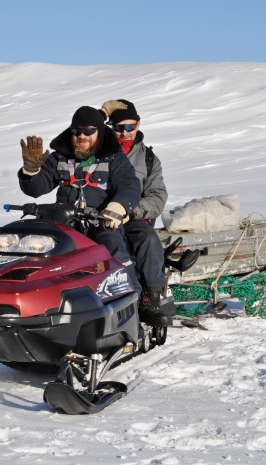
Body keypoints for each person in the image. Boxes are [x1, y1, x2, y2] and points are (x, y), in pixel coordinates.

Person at [18, 105, 142, 294]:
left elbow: (129, 185)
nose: (82, 136)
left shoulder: (113, 158)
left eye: (89, 131)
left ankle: (130, 301)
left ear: (99, 132)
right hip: (63, 225)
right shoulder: (59, 157)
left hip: (100, 223)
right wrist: (31, 171)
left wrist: (116, 208)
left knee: (113, 251)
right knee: (34, 253)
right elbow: (36, 189)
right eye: (77, 131)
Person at [100, 99, 172, 326]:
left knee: (148, 240)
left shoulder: (148, 159)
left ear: (138, 124)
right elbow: (83, 128)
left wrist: (133, 212)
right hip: (101, 217)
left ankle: (151, 298)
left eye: (130, 127)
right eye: (119, 128)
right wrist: (100, 113)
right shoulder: (98, 152)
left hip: (133, 217)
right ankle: (123, 297)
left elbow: (157, 196)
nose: (125, 133)